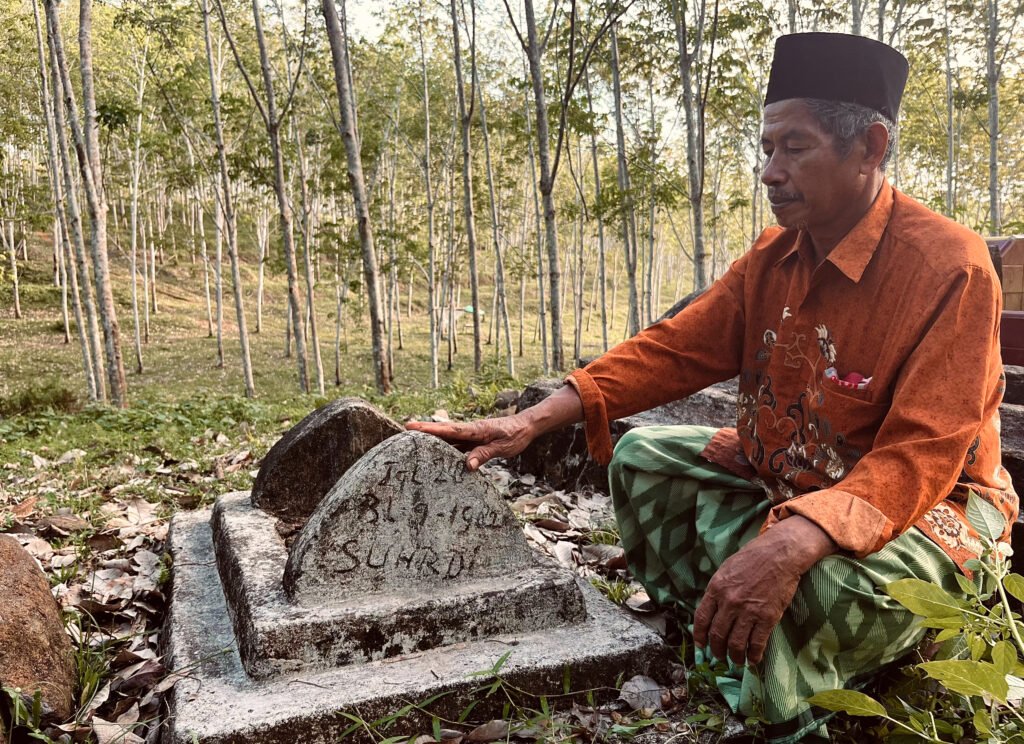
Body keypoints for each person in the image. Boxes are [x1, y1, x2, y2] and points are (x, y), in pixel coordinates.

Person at [408, 32, 1017, 742]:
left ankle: (790, 688)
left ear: (871, 147)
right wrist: (536, 421)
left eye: (795, 147)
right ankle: (725, 627)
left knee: (808, 586)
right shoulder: (774, 254)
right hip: (793, 474)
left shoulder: (949, 265)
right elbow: (673, 349)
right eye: (767, 149)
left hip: (932, 507)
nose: (770, 171)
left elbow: (922, 453)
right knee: (641, 462)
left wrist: (794, 541)